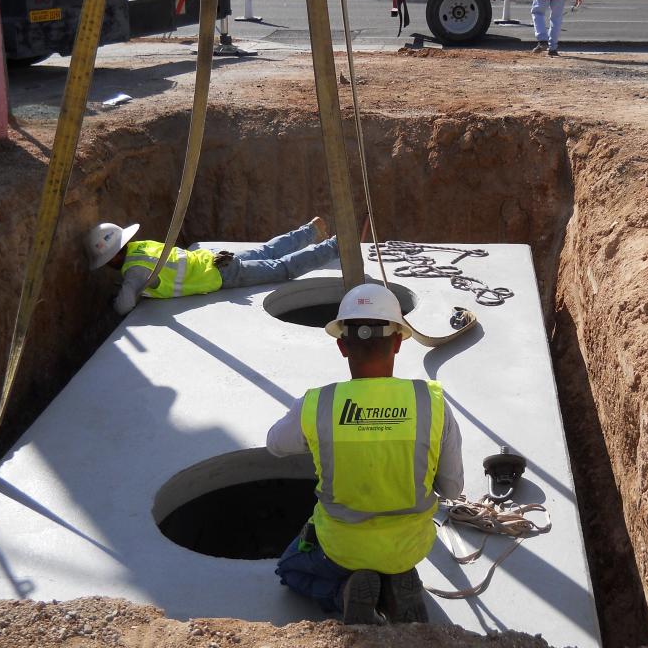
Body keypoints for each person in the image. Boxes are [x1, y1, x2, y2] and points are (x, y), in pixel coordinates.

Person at [267, 283, 464, 625]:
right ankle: (395, 584)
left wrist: (319, 430)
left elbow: (275, 444)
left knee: (290, 570)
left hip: (343, 547)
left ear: (343, 346)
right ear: (398, 342)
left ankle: (343, 594)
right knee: (392, 557)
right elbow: (451, 490)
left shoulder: (318, 404)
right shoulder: (431, 403)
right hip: (410, 546)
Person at [85, 217, 339, 315]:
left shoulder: (134, 272)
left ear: (114, 257)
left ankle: (335, 245)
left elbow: (125, 305)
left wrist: (115, 300)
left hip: (221, 274)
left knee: (282, 268)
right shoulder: (142, 246)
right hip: (213, 257)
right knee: (266, 250)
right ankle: (310, 230)